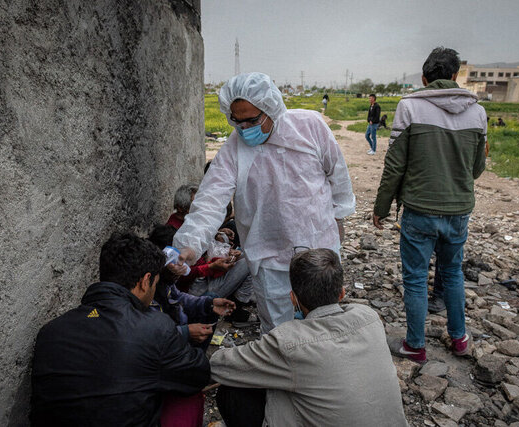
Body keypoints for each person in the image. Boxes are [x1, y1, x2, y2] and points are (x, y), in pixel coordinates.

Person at [173, 72, 355, 334]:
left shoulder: (309, 126)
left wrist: (340, 218)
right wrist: (189, 245)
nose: (246, 128)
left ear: (272, 109)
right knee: (279, 332)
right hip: (269, 257)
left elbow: (337, 175)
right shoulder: (234, 149)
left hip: (318, 249)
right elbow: (210, 200)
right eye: (238, 122)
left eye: (253, 120)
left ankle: (320, 372)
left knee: (323, 325)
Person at [373, 47, 487, 364]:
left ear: (424, 79)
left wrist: (381, 207)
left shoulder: (409, 107)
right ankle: (460, 339)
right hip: (458, 211)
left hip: (420, 211)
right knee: (451, 275)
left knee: (415, 279)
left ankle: (415, 346)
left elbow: (394, 165)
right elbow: (477, 168)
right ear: (454, 76)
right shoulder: (477, 113)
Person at [210, 248, 408, 427]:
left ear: (293, 299)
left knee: (234, 390)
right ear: (342, 293)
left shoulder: (290, 341)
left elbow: (222, 365)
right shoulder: (369, 317)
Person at [30, 232, 210, 426]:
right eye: (154, 284)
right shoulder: (155, 327)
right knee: (186, 397)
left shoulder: (50, 331)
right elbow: (197, 376)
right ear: (145, 281)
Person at [149, 224, 255, 326]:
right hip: (196, 288)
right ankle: (237, 310)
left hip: (200, 283)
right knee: (250, 261)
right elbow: (186, 281)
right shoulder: (162, 277)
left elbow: (178, 296)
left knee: (246, 256)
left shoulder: (182, 243)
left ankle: (236, 305)